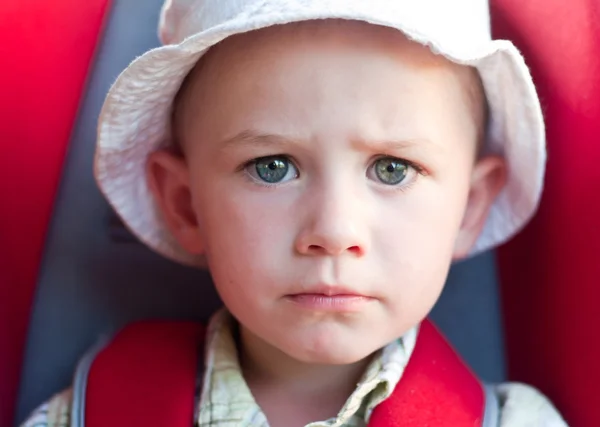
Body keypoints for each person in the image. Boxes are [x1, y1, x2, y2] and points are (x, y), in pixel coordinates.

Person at [22, 0, 567, 425]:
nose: (333, 232)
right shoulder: (92, 414)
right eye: (273, 167)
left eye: (393, 169)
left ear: (470, 206)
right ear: (184, 203)